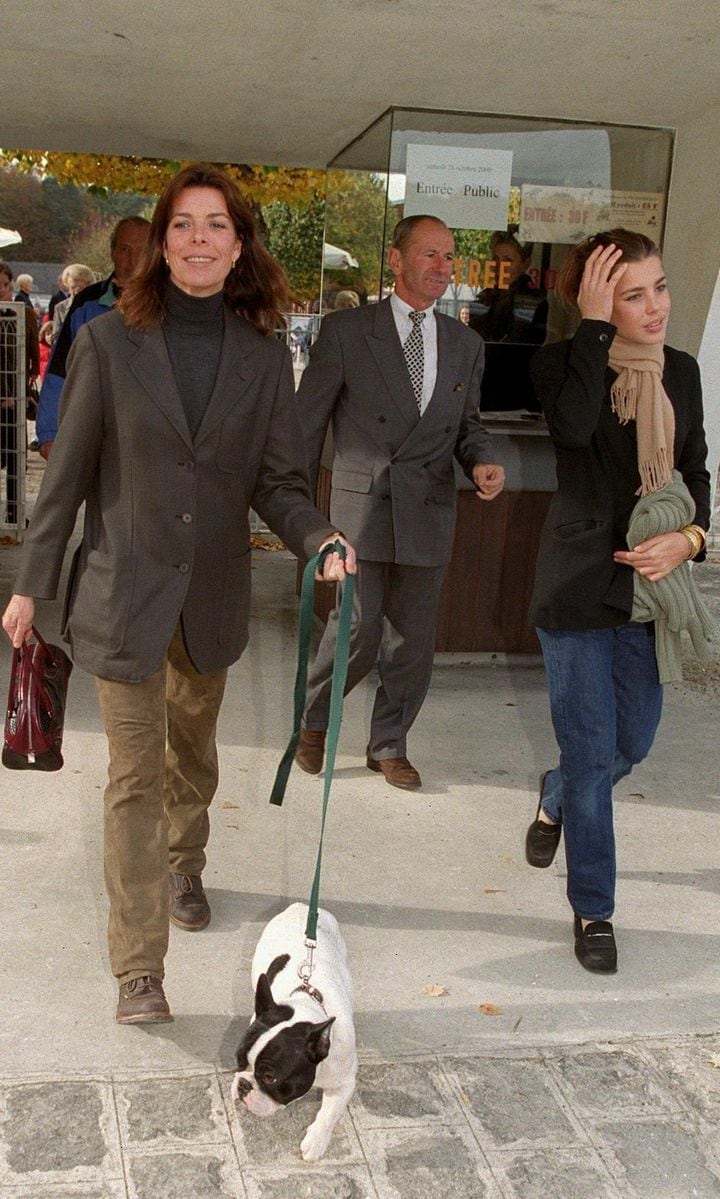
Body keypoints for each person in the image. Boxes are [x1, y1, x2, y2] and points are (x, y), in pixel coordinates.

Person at [2, 163, 356, 1025]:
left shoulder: (267, 358)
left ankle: (185, 856)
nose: (200, 240)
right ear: (162, 243)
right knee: (132, 776)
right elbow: (67, 474)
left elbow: (278, 480)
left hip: (212, 599)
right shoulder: (107, 341)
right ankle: (138, 967)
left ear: (240, 248)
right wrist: (29, 586)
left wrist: (319, 536)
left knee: (191, 752)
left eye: (217, 226)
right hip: (122, 592)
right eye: (185, 225)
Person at [524, 228, 710, 974]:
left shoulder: (685, 373)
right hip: (576, 591)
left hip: (649, 592)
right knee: (597, 752)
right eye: (633, 294)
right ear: (597, 299)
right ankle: (594, 908)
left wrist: (689, 538)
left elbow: (696, 471)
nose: (656, 305)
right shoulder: (562, 366)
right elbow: (571, 429)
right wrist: (593, 328)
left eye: (659, 287)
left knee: (628, 745)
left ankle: (555, 791)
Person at [293, 214, 505, 790]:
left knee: (413, 640)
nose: (442, 267)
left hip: (429, 509)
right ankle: (313, 720)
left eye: (449, 256)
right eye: (429, 254)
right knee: (356, 629)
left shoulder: (464, 343)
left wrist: (482, 459)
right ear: (395, 260)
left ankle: (389, 742)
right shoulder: (346, 332)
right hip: (361, 510)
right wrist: (300, 517)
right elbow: (305, 428)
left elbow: (468, 425)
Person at [36, 216, 151, 457]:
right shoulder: (85, 304)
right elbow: (60, 368)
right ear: (112, 253)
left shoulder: (173, 303)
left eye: (142, 250)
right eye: (125, 249)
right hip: (99, 434)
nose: (133, 260)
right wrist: (49, 432)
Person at [0, 262, 40, 523]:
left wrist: (21, 391)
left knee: (16, 458)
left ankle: (14, 512)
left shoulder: (22, 313)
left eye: (4, 285)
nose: (1, 290)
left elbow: (31, 355)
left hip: (15, 395)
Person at [51, 263, 96, 336]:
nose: (77, 291)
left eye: (81, 287)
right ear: (67, 286)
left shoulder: (96, 306)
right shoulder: (60, 307)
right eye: (73, 287)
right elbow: (56, 336)